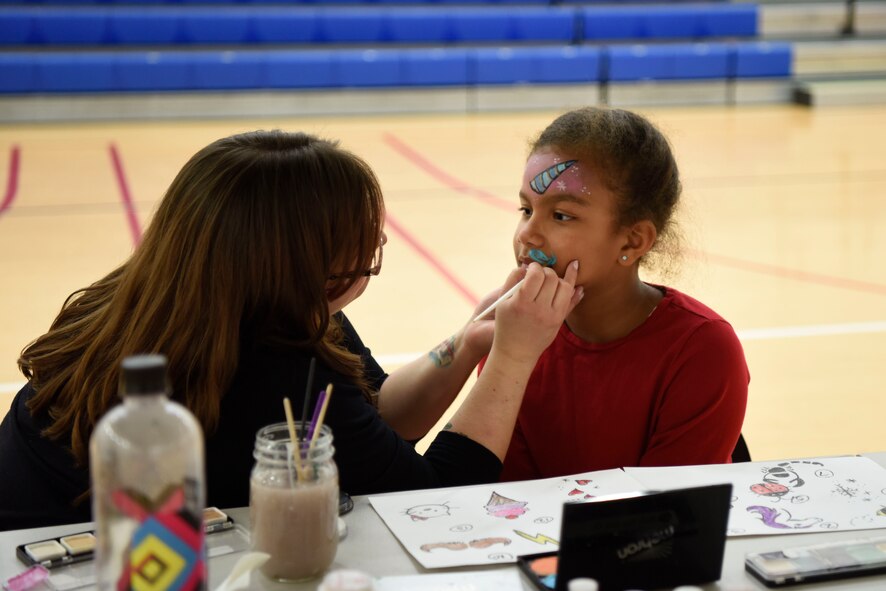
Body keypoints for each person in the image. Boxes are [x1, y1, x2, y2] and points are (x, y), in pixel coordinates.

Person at [0, 130, 582, 531]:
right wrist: (512, 359)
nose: (379, 242)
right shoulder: (276, 364)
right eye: (360, 235)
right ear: (301, 262)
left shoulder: (159, 297)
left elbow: (374, 420)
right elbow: (429, 499)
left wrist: (471, 340)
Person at [496, 107, 749, 482]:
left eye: (561, 215)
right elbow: (506, 498)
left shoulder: (702, 349)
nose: (527, 234)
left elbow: (662, 517)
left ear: (633, 240)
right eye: (526, 209)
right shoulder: (514, 334)